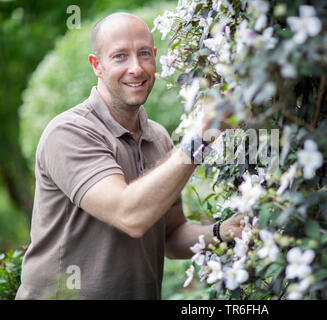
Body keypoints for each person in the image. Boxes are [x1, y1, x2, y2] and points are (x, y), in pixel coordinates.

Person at [16, 12, 244, 300]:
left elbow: (170, 236)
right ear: (96, 65)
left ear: (155, 57)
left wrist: (222, 231)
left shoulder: (158, 137)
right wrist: (201, 137)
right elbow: (129, 215)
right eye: (120, 56)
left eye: (144, 54)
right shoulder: (69, 133)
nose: (136, 68)